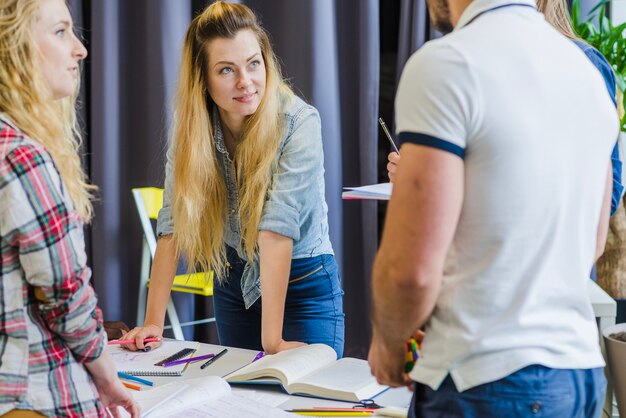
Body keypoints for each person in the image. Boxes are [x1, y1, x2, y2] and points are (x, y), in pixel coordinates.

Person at [368, 0, 617, 415]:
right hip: (578, 375)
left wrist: (388, 344)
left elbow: (409, 272)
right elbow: (592, 241)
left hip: (485, 381)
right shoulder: (586, 73)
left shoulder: (447, 63)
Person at [122, 1, 344, 357]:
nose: (246, 82)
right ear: (203, 78)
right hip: (233, 283)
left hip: (301, 284)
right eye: (226, 70)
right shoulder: (193, 128)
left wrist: (272, 341)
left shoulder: (299, 122)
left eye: (253, 64)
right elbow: (173, 218)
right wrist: (152, 322)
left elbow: (277, 227)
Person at [0, 0, 139, 417]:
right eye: (61, 32)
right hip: (37, 396)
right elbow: (65, 298)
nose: (80, 49)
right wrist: (109, 379)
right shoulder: (20, 158)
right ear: (14, 47)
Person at [387, 0, 624, 216]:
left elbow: (604, 197)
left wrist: (427, 184)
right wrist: (421, 175)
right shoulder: (466, 64)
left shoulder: (584, 64)